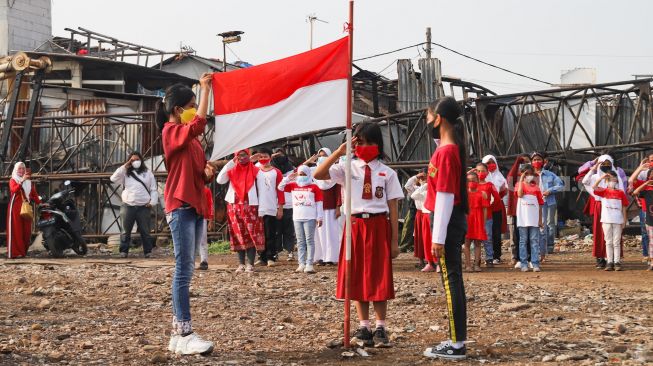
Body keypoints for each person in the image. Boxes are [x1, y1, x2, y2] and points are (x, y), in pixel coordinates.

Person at [313, 122, 403, 348]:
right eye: (360, 143)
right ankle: (364, 326)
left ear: (378, 145)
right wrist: (339, 152)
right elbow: (318, 173)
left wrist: (394, 242)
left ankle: (381, 326)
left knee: (379, 276)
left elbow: (393, 208)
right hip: (354, 226)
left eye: (369, 143)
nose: (364, 147)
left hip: (378, 226)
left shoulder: (387, 172)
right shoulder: (347, 168)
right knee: (356, 276)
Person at [157, 75, 215, 355]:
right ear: (178, 110)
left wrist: (206, 172)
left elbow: (198, 171)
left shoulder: (190, 141)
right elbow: (199, 123)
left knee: (186, 269)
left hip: (190, 203)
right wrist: (205, 90)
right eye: (191, 105)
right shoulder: (170, 131)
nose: (195, 109)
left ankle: (177, 335)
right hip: (180, 204)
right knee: (183, 270)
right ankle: (184, 330)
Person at [422, 97, 468, 360]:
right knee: (452, 280)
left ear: (439, 119)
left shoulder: (447, 152)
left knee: (451, 282)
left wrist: (437, 237)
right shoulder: (448, 149)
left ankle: (457, 344)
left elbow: (445, 195)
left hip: (447, 223)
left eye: (429, 117)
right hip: (449, 221)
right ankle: (456, 338)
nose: (428, 122)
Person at [216, 149, 266, 273]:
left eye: (244, 155)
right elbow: (220, 180)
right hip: (234, 206)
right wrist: (231, 163)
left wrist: (262, 208)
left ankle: (250, 264)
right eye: (239, 155)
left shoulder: (256, 170)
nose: (242, 158)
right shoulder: (232, 169)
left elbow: (263, 190)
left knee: (251, 233)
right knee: (238, 234)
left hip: (251, 206)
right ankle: (241, 264)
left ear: (249, 156)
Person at [110, 151, 158, 258]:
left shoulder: (148, 173)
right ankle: (124, 251)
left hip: (144, 207)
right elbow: (113, 178)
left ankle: (148, 252)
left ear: (141, 160)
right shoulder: (125, 173)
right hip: (128, 205)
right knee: (125, 231)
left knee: (145, 231)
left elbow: (153, 189)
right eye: (133, 160)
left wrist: (152, 202)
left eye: (137, 159)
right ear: (129, 161)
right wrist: (125, 166)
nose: (135, 162)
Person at [581, 155, 626, 269]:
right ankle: (601, 258)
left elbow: (622, 198)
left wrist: (624, 218)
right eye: (603, 164)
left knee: (615, 237)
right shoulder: (595, 177)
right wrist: (593, 169)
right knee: (600, 233)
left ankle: (614, 260)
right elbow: (585, 181)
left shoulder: (617, 178)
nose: (605, 167)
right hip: (599, 205)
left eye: (608, 165)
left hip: (615, 209)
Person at [279, 165, 324, 273]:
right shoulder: (293, 185)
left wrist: (319, 217)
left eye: (304, 174)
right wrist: (288, 178)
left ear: (308, 174)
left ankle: (309, 264)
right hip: (297, 217)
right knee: (300, 241)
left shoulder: (314, 187)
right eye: (300, 174)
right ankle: (301, 263)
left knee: (309, 241)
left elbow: (319, 203)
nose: (302, 176)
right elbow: (280, 187)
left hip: (310, 217)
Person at [254, 148, 285, 267]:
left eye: (265, 156)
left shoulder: (276, 172)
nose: (263, 159)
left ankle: (270, 256)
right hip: (257, 207)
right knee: (259, 233)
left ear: (270, 157)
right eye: (260, 157)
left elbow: (280, 190)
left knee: (270, 233)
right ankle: (261, 257)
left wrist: (280, 207)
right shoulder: (255, 171)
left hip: (271, 206)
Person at [531, 152, 564, 260]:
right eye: (534, 160)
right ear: (531, 162)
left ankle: (547, 249)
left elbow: (561, 184)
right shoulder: (528, 175)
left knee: (548, 225)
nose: (536, 162)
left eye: (538, 159)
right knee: (538, 226)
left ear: (543, 161)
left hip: (548, 202)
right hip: (533, 203)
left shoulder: (550, 174)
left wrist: (550, 190)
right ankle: (539, 250)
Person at [312, 148, 342, 266]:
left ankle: (331, 257)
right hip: (318, 209)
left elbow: (338, 193)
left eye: (324, 156)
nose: (321, 158)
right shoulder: (315, 176)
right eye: (320, 156)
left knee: (331, 234)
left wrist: (338, 208)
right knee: (319, 235)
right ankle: (320, 257)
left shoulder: (334, 176)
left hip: (331, 210)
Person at [595, 172, 629, 271]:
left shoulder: (621, 192)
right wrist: (602, 177)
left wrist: (624, 220)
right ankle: (609, 262)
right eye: (610, 180)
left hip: (618, 220)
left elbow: (624, 207)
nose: (612, 182)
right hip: (606, 220)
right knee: (608, 242)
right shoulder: (604, 191)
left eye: (614, 180)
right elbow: (594, 187)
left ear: (617, 181)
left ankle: (617, 262)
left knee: (616, 242)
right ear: (606, 181)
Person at [6, 162, 40, 259]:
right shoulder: (13, 180)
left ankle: (22, 252)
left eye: (23, 169)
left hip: (26, 208)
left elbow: (33, 194)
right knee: (16, 230)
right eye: (19, 169)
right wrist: (21, 181)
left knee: (26, 231)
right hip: (15, 208)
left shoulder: (28, 182)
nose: (21, 171)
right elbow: (14, 190)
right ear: (16, 170)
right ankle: (15, 253)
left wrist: (40, 203)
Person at [515, 165, 544, 272]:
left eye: (530, 174)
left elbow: (540, 205)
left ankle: (535, 263)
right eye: (526, 174)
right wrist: (522, 179)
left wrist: (540, 220)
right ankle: (524, 263)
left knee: (534, 241)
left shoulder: (536, 188)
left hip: (534, 219)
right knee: (523, 241)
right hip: (523, 218)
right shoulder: (518, 185)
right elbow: (519, 194)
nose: (528, 176)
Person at [481, 155, 508, 264]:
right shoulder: (481, 178)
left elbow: (505, 192)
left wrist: (502, 191)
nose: (490, 165)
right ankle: (488, 255)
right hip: (485, 208)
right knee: (486, 232)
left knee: (496, 232)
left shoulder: (500, 177)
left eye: (492, 162)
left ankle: (496, 255)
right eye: (487, 163)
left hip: (497, 206)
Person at [271, 148, 297, 260]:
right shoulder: (271, 171)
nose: (279, 157)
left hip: (290, 204)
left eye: (281, 155)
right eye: (277, 156)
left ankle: (290, 251)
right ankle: (276, 252)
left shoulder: (291, 169)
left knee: (289, 229)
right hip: (275, 204)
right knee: (276, 230)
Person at [474, 163, 500, 268]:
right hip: (474, 216)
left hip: (487, 216)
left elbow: (497, 199)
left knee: (487, 237)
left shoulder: (490, 185)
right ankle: (477, 259)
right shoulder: (471, 184)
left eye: (483, 171)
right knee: (475, 238)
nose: (480, 173)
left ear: (487, 172)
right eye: (478, 171)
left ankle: (489, 258)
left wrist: (489, 207)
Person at [410, 179, 440, 272]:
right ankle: (430, 263)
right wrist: (426, 184)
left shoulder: (439, 190)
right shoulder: (424, 191)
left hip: (438, 215)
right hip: (426, 215)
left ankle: (439, 263)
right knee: (426, 240)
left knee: (437, 240)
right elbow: (413, 195)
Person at [507, 154, 531, 266]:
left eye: (526, 162)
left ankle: (530, 258)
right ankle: (517, 258)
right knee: (517, 236)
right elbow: (510, 177)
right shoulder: (514, 180)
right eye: (522, 163)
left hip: (530, 212)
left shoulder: (533, 178)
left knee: (531, 236)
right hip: (517, 211)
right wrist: (518, 160)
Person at [628, 155, 653, 264]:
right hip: (645, 210)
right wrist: (640, 168)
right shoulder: (644, 185)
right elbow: (631, 181)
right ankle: (647, 255)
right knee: (645, 233)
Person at [464, 171, 490, 272]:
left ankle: (476, 264)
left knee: (478, 244)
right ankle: (467, 265)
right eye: (469, 180)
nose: (471, 182)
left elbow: (485, 209)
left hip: (478, 220)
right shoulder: (465, 194)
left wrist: (483, 223)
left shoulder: (482, 193)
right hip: (467, 220)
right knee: (467, 243)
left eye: (473, 180)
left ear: (478, 181)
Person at [405, 172, 427, 269]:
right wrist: (416, 177)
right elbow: (407, 186)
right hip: (419, 214)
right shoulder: (417, 188)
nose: (423, 179)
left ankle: (431, 260)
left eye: (425, 177)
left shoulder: (431, 187)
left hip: (428, 213)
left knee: (428, 237)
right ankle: (421, 260)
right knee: (419, 237)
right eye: (421, 177)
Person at [633, 169, 653, 271]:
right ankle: (651, 262)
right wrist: (646, 183)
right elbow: (635, 192)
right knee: (651, 242)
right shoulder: (647, 191)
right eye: (651, 175)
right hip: (650, 219)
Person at [197, 186, 214, 270]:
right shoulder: (189, 188)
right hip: (191, 216)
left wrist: (210, 220)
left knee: (202, 240)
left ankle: (204, 261)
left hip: (202, 216)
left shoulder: (206, 190)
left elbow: (210, 204)